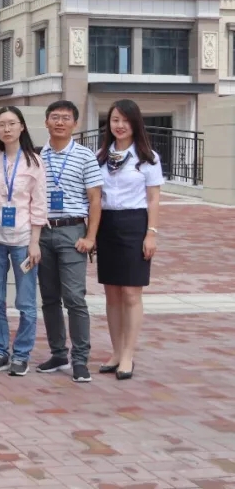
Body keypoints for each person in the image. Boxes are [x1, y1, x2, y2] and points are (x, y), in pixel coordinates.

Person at [0, 106, 47, 377]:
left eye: (11, 123)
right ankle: (0, 351)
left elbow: (39, 205)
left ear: (22, 127)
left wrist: (35, 241)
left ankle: (21, 354)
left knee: (26, 302)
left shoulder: (34, 162)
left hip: (23, 240)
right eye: (1, 125)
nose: (6, 129)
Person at [35, 100, 103, 383]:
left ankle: (80, 359)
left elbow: (95, 199)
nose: (59, 122)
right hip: (43, 231)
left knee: (74, 297)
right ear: (46, 122)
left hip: (72, 231)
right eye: (54, 117)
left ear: (75, 123)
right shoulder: (37, 156)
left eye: (65, 118)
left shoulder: (85, 156)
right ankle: (58, 353)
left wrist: (90, 237)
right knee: (49, 297)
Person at [95, 99, 162, 381]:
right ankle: (115, 352)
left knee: (132, 293)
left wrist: (151, 233)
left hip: (135, 225)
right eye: (115, 120)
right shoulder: (99, 157)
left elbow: (153, 198)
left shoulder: (147, 157)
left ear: (135, 123)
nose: (119, 125)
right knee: (111, 293)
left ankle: (128, 355)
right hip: (106, 225)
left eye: (125, 120)